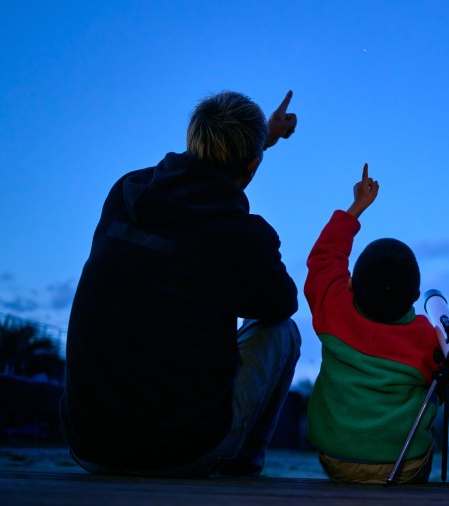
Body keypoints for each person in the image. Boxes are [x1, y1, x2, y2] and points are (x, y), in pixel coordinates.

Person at [61, 90, 302, 477]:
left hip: (88, 445)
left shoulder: (127, 193)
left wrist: (263, 140)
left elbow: (203, 171)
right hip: (182, 452)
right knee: (283, 331)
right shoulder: (240, 236)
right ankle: (240, 464)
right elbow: (281, 303)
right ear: (253, 165)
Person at [305, 164, 441, 484]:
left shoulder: (332, 308)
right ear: (415, 296)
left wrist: (356, 208)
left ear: (351, 283)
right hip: (404, 467)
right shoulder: (425, 336)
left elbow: (324, 259)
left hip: (336, 460)